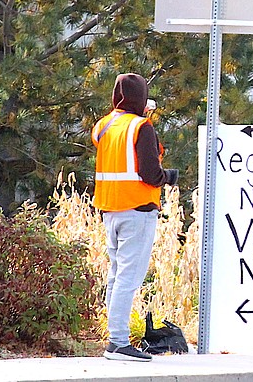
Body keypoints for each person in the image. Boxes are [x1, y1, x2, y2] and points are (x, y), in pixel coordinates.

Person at [91, 73, 178, 362]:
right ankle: (117, 342)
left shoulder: (103, 126)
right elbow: (151, 174)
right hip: (137, 209)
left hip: (110, 210)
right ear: (140, 98)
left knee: (116, 276)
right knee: (129, 278)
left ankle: (113, 336)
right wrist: (170, 176)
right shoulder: (142, 127)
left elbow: (120, 154)